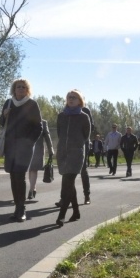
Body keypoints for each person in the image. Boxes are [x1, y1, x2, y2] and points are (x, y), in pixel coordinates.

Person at [0, 79, 42, 221]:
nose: (21, 89)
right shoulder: (8, 103)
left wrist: (29, 142)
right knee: (13, 176)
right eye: (18, 87)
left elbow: (38, 127)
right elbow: (1, 123)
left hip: (24, 147)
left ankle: (22, 209)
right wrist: (4, 116)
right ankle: (17, 207)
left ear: (27, 90)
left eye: (24, 87)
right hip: (10, 145)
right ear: (14, 89)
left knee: (20, 176)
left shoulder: (32, 104)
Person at [55, 89, 91, 227]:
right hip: (63, 153)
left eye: (74, 97)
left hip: (76, 154)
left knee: (66, 184)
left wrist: (76, 146)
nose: (71, 99)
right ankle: (76, 211)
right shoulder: (61, 116)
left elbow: (86, 136)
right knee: (69, 184)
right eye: (69, 97)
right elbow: (60, 133)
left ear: (80, 101)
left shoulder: (83, 117)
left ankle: (61, 215)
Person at [27, 119, 54, 200]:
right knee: (30, 169)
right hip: (27, 149)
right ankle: (33, 188)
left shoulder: (43, 122)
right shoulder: (25, 121)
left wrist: (51, 150)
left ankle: (31, 190)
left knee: (33, 169)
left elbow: (47, 137)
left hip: (38, 150)